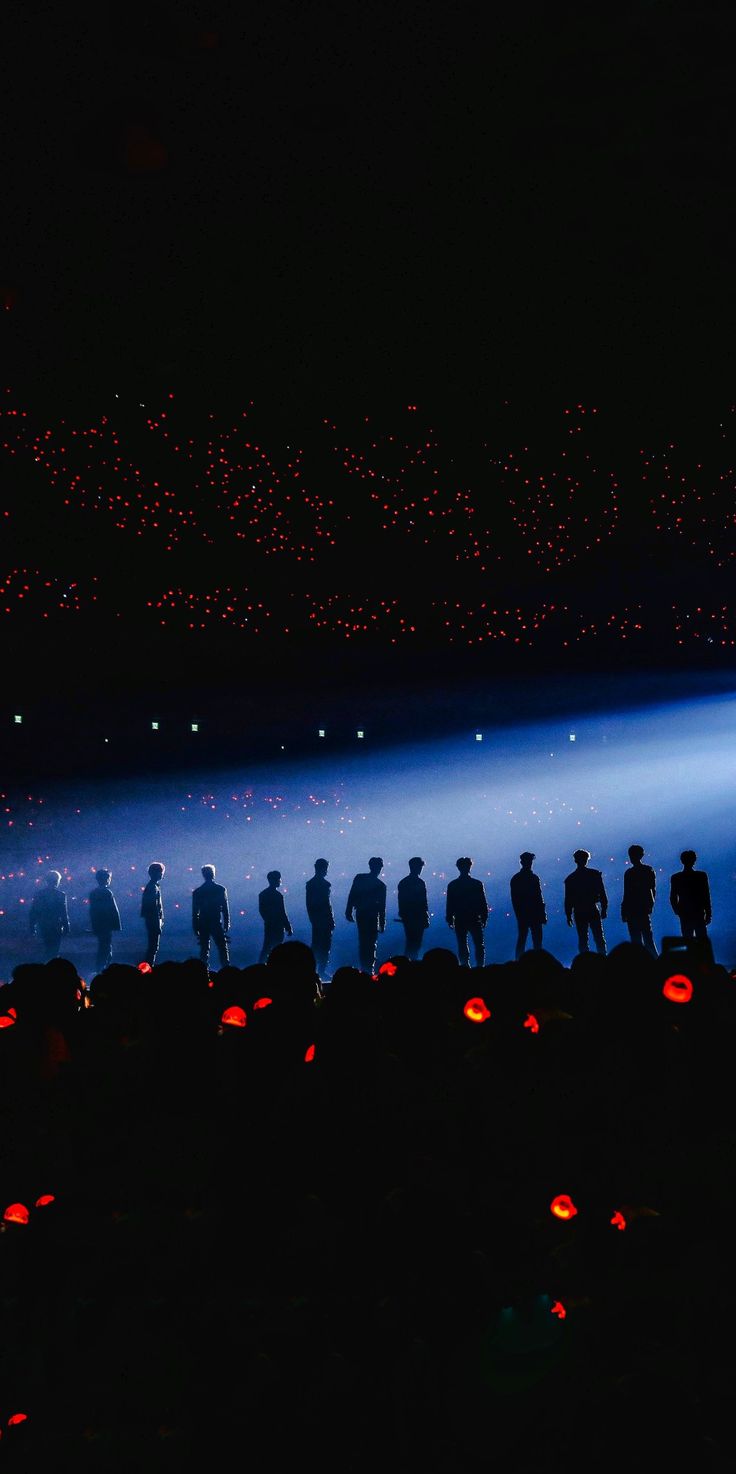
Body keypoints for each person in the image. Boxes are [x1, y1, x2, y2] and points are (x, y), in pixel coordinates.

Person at [345, 857, 387, 974]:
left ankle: (366, 968)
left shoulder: (360, 878)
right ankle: (368, 968)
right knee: (370, 942)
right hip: (371, 916)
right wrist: (382, 922)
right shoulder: (380, 885)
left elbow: (352, 894)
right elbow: (382, 906)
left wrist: (348, 910)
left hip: (363, 914)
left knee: (365, 941)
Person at [445, 857, 489, 967]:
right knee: (479, 944)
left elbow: (450, 903)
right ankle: (480, 966)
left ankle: (465, 966)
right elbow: (482, 902)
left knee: (462, 944)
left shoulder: (453, 885)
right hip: (474, 918)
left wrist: (450, 918)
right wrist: (484, 916)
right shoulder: (477, 884)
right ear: (470, 866)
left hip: (460, 918)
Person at [564, 849, 608, 955]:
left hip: (579, 911)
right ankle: (603, 960)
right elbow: (602, 893)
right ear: (587, 859)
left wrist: (568, 915)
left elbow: (568, 899)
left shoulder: (570, 879)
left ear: (575, 861)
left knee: (583, 938)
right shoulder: (594, 874)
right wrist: (604, 908)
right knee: (599, 937)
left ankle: (585, 963)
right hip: (592, 908)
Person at [621, 845, 657, 956]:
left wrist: (624, 910)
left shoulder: (629, 873)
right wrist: (650, 904)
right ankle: (655, 962)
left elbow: (627, 893)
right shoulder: (648, 870)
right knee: (647, 938)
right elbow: (652, 890)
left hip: (633, 909)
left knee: (636, 939)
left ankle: (640, 964)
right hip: (642, 908)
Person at [192, 864, 230, 969]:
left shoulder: (197, 892)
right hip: (216, 922)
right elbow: (225, 908)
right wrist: (227, 923)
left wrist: (195, 926)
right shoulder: (220, 889)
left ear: (203, 875)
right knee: (222, 947)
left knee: (204, 948)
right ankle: (226, 969)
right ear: (213, 874)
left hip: (203, 922)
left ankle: (203, 970)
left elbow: (195, 912)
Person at [510, 852, 547, 960]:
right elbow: (538, 897)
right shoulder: (533, 878)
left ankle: (519, 962)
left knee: (523, 939)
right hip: (532, 913)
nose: (530, 864)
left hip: (524, 913)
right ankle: (538, 963)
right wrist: (542, 913)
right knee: (536, 940)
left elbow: (515, 900)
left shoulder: (516, 878)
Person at [670, 850, 712, 941]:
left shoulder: (676, 877)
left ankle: (690, 955)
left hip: (685, 912)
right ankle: (701, 955)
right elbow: (706, 896)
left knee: (687, 939)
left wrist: (677, 910)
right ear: (694, 860)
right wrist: (708, 913)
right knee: (701, 940)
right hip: (698, 911)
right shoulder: (701, 876)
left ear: (682, 861)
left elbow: (673, 897)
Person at [29, 870, 70, 960]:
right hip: (56, 926)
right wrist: (67, 926)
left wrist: (32, 926)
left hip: (43, 925)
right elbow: (63, 913)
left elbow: (34, 911)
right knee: (54, 949)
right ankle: (52, 968)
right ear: (57, 881)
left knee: (46, 948)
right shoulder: (60, 895)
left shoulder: (39, 894)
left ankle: (46, 967)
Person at [305, 858, 335, 980]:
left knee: (317, 945)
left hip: (317, 919)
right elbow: (327, 904)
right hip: (323, 919)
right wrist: (331, 919)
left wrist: (313, 918)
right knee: (324, 945)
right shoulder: (324, 885)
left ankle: (312, 969)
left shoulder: (311, 884)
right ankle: (320, 970)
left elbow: (309, 904)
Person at [88, 868, 122, 973]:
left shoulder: (93, 893)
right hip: (106, 925)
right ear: (107, 879)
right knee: (106, 948)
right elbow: (113, 909)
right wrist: (117, 925)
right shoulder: (107, 892)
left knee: (103, 947)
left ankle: (101, 969)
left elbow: (92, 910)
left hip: (98, 924)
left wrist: (93, 924)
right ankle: (102, 970)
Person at [397, 856, 430, 960]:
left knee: (411, 941)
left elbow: (401, 901)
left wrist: (403, 914)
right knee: (416, 943)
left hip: (408, 917)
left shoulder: (403, 882)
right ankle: (412, 963)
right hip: (418, 917)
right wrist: (425, 917)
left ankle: (408, 963)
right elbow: (423, 902)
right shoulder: (420, 882)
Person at [258, 870, 293, 963]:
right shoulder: (278, 895)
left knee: (266, 947)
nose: (280, 881)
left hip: (269, 925)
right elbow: (282, 912)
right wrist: (288, 926)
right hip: (278, 925)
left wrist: (268, 920)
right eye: (278, 879)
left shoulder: (263, 894)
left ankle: (260, 966)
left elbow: (262, 911)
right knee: (277, 949)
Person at [141, 861, 165, 966]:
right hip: (153, 920)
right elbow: (153, 907)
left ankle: (148, 967)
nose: (162, 874)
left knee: (153, 946)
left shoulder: (152, 886)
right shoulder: (153, 887)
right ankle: (148, 968)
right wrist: (157, 922)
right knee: (153, 946)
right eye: (161, 872)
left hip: (152, 919)